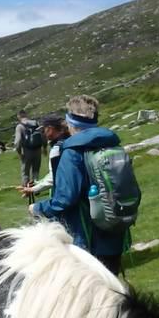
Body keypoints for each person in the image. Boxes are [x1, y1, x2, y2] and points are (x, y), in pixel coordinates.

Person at [30, 94, 129, 274]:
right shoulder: (111, 143)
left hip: (87, 236)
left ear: (71, 122)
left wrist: (38, 208)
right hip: (115, 228)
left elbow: (65, 198)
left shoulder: (72, 153)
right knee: (112, 281)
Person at [12, 109, 44, 193]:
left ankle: (26, 190)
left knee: (25, 172)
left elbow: (17, 141)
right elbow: (42, 135)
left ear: (18, 116)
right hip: (37, 150)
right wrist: (44, 147)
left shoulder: (20, 126)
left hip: (27, 151)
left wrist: (19, 152)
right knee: (36, 170)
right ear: (26, 114)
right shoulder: (35, 123)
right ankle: (36, 189)